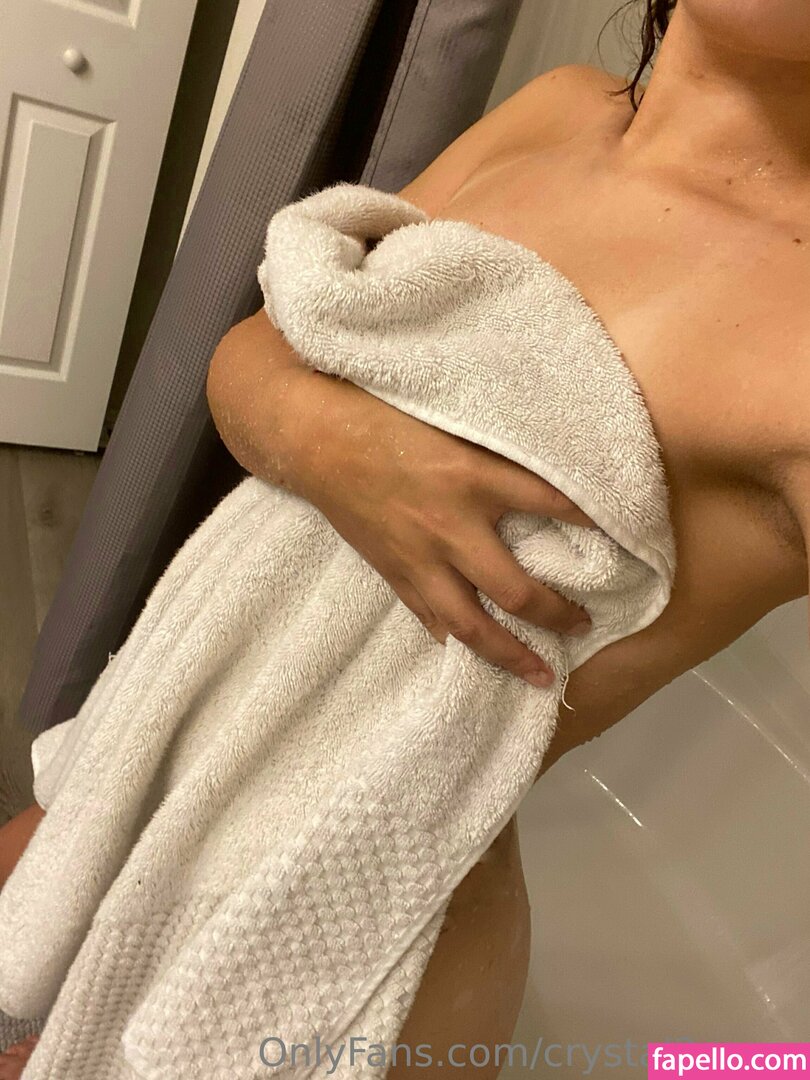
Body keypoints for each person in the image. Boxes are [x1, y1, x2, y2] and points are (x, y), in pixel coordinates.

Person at [2, 1, 809, 1075]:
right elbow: (264, 343)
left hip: (340, 930)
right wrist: (338, 445)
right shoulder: (559, 108)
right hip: (161, 748)